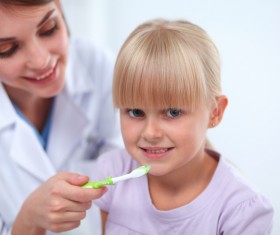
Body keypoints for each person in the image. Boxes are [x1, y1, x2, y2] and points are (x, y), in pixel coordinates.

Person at [93, 19, 274, 234]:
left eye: (173, 112)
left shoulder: (241, 211)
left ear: (215, 112)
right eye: (135, 112)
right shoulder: (113, 173)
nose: (151, 133)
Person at [0, 0, 122, 234]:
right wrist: (29, 217)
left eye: (49, 29)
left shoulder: (99, 68)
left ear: (60, 7)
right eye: (7, 49)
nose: (41, 61)